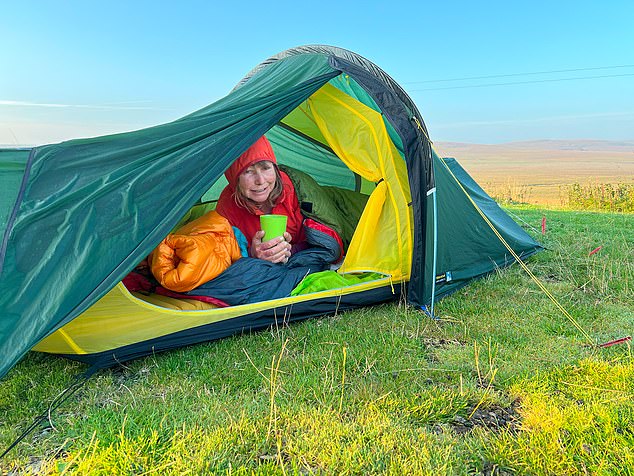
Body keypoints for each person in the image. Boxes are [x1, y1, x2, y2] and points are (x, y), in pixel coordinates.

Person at [216, 135, 306, 264]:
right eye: (248, 171)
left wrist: (291, 251)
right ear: (234, 179)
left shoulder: (294, 188)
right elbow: (221, 256)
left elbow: (326, 239)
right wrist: (252, 254)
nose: (260, 181)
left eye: (265, 168)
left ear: (275, 168)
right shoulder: (227, 206)